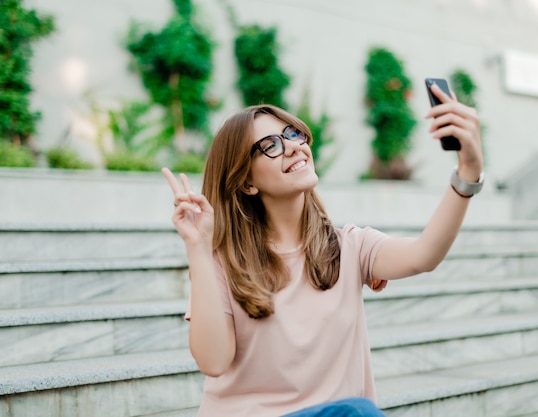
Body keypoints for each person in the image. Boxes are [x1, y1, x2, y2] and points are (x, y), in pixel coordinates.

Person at [162, 83, 484, 416]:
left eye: (293, 134)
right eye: (270, 145)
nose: (292, 147)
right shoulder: (223, 262)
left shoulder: (351, 247)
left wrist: (467, 172)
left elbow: (424, 255)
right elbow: (213, 361)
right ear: (247, 182)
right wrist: (198, 249)